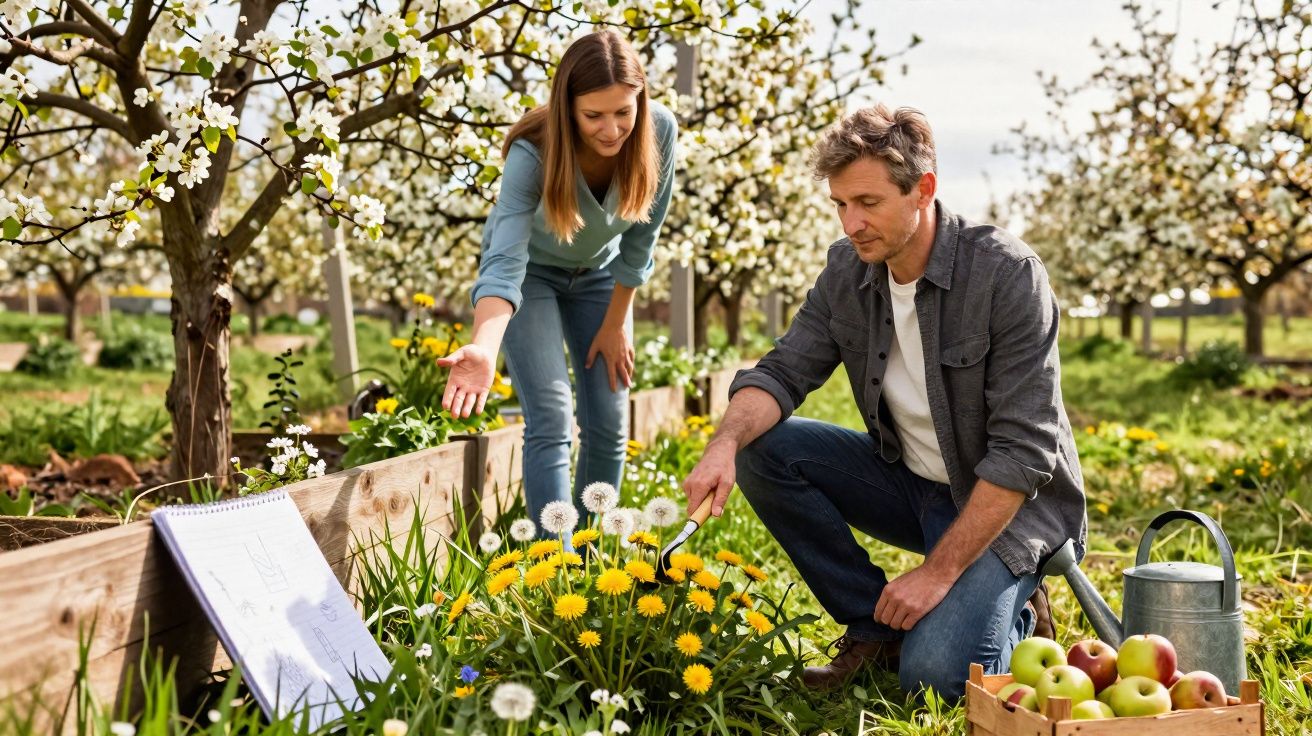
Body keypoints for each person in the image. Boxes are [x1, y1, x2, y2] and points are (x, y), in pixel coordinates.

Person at [681, 104, 1086, 700]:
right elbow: (783, 372)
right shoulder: (847, 270)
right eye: (840, 204)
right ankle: (873, 628)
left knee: (936, 679)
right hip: (910, 484)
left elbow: (1024, 454)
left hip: (1009, 509)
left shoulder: (1007, 275)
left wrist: (936, 574)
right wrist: (722, 443)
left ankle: (1019, 606)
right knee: (760, 448)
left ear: (923, 189)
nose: (851, 223)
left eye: (868, 203)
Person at [439, 30, 678, 528]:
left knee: (610, 421)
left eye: (623, 112)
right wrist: (483, 347)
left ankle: (591, 558)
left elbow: (641, 240)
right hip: (533, 278)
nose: (612, 130)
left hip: (602, 279)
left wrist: (616, 324)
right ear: (567, 107)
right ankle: (554, 559)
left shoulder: (659, 132)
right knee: (551, 416)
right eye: (594, 115)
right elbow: (504, 261)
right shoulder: (532, 153)